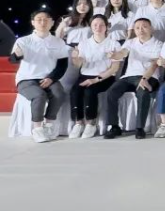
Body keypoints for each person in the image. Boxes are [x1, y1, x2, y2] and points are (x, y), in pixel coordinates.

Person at [10, 9, 70, 143]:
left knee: (59, 94)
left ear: (52, 23)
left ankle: (48, 125)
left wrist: (51, 78)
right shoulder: (23, 41)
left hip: (49, 77)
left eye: (46, 20)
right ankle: (37, 129)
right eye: (39, 20)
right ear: (33, 22)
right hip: (27, 79)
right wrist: (16, 56)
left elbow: (62, 65)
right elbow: (13, 59)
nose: (43, 22)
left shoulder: (58, 42)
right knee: (39, 95)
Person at [103, 18, 162, 139]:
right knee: (111, 92)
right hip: (129, 76)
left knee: (142, 91)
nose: (141, 30)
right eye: (137, 28)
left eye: (144, 27)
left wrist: (144, 79)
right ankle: (114, 126)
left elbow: (154, 65)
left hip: (149, 76)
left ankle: (140, 128)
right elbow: (123, 53)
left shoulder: (158, 44)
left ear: (151, 29)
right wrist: (114, 55)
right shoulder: (130, 42)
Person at [68, 15, 122, 138]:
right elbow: (78, 65)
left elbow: (114, 68)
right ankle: (78, 122)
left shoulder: (114, 44)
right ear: (91, 27)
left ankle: (91, 123)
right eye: (95, 25)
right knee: (75, 91)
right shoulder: (83, 43)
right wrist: (75, 58)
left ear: (106, 27)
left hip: (105, 77)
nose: (98, 27)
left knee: (90, 91)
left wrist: (96, 80)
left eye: (101, 25)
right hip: (85, 75)